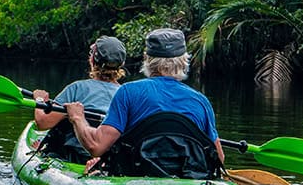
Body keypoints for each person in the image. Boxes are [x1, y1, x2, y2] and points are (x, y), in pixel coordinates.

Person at [65, 28, 225, 171]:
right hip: (189, 178)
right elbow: (218, 157)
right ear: (184, 60)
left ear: (147, 58)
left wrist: (78, 118)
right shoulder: (201, 101)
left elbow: (96, 146)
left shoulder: (128, 92)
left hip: (137, 176)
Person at [32, 35, 127, 163]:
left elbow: (43, 123)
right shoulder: (126, 94)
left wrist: (39, 100)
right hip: (109, 159)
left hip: (75, 156)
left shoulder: (77, 89)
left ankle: (45, 150)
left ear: (92, 60)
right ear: (121, 64)